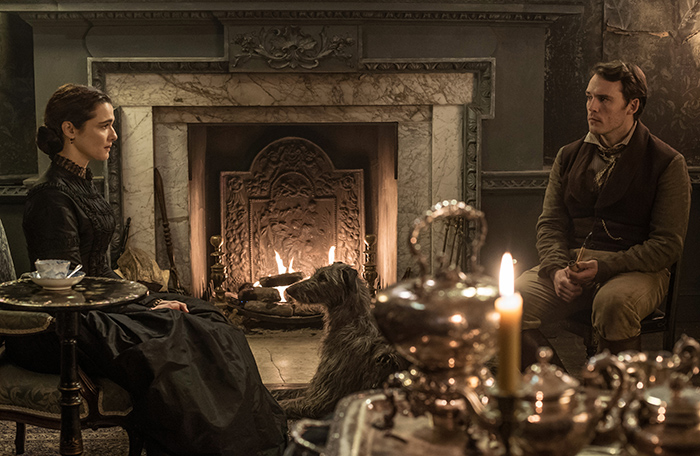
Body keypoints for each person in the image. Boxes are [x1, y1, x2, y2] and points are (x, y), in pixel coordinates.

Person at [5, 84, 287, 456]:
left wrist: (145, 300)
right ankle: (208, 444)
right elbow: (68, 285)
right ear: (70, 130)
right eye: (104, 126)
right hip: (63, 326)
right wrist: (142, 308)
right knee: (178, 331)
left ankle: (248, 440)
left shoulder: (82, 183)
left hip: (95, 306)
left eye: (113, 125)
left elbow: (99, 271)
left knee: (208, 316)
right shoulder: (50, 196)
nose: (114, 135)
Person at [515, 61, 691, 366]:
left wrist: (604, 267)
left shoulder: (666, 162)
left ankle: (616, 393)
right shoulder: (568, 155)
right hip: (571, 265)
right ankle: (562, 388)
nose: (592, 107)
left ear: (632, 105)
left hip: (635, 271)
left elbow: (667, 245)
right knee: (508, 301)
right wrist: (556, 269)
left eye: (604, 99)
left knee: (613, 303)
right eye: (589, 97)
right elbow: (550, 223)